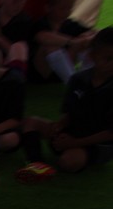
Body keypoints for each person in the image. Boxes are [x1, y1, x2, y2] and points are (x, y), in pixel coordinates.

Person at [17, 27, 113, 180]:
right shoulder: (78, 79)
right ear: (92, 55)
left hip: (96, 144)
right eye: (108, 59)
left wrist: (74, 143)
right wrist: (60, 125)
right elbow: (70, 112)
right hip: (71, 134)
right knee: (30, 122)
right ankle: (37, 165)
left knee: (68, 162)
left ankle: (71, 155)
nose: (111, 64)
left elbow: (109, 133)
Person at [29, 0, 97, 84]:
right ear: (48, 8)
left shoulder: (71, 25)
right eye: (62, 8)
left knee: (86, 44)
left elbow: (95, 33)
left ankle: (86, 80)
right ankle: (74, 84)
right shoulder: (41, 23)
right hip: (42, 74)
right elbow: (42, 36)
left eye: (69, 8)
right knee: (51, 47)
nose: (66, 12)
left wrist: (85, 38)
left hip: (63, 72)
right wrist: (72, 42)